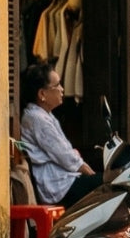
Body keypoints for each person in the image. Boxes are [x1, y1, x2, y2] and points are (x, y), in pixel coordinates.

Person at [19, 60, 100, 207]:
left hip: (62, 179)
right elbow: (65, 156)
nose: (62, 89)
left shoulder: (43, 115)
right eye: (57, 86)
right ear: (42, 94)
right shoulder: (37, 118)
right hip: (57, 185)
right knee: (110, 185)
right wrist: (90, 174)